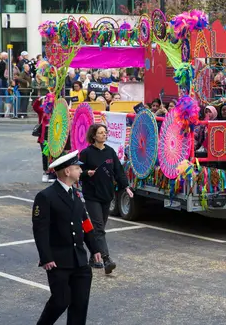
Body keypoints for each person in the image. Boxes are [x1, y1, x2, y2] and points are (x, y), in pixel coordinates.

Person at [32, 151, 102, 325]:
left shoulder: (76, 194)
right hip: (58, 261)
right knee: (60, 301)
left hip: (79, 260)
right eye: (77, 168)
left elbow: (85, 223)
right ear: (67, 172)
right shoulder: (46, 197)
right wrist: (46, 257)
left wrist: (95, 249)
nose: (80, 171)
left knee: (80, 305)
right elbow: (40, 230)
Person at [79, 124, 134, 273]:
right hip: (92, 195)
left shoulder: (110, 152)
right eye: (101, 133)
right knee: (98, 227)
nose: (104, 135)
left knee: (100, 228)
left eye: (105, 132)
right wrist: (86, 173)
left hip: (107, 194)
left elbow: (118, 171)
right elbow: (78, 171)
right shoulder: (86, 153)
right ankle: (106, 259)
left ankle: (92, 255)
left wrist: (126, 187)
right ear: (94, 136)